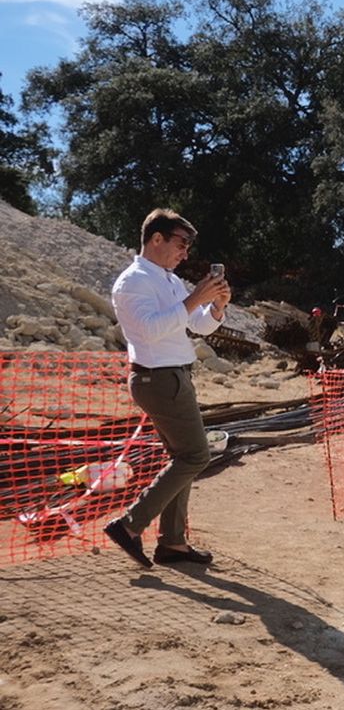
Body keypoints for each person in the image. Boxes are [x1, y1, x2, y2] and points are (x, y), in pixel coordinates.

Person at [103, 209, 232, 569]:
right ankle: (130, 525)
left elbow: (198, 326)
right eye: (180, 244)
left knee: (184, 459)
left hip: (170, 378)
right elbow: (149, 330)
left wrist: (217, 307)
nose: (185, 253)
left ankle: (172, 543)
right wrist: (195, 297)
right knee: (195, 456)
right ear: (155, 239)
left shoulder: (169, 280)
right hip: (158, 379)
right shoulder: (133, 281)